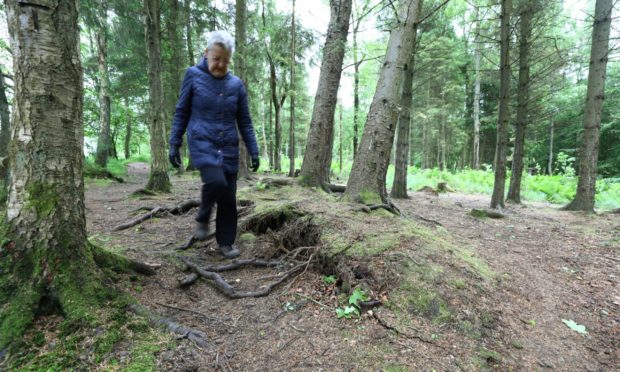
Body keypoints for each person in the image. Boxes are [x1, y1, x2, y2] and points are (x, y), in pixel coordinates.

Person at [168, 30, 260, 259]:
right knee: (216, 180)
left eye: (225, 61)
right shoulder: (192, 75)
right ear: (206, 53)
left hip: (228, 146)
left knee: (228, 197)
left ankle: (226, 243)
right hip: (202, 142)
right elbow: (182, 111)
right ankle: (202, 216)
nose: (220, 64)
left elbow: (245, 121)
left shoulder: (236, 85)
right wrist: (174, 142)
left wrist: (253, 150)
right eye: (216, 59)